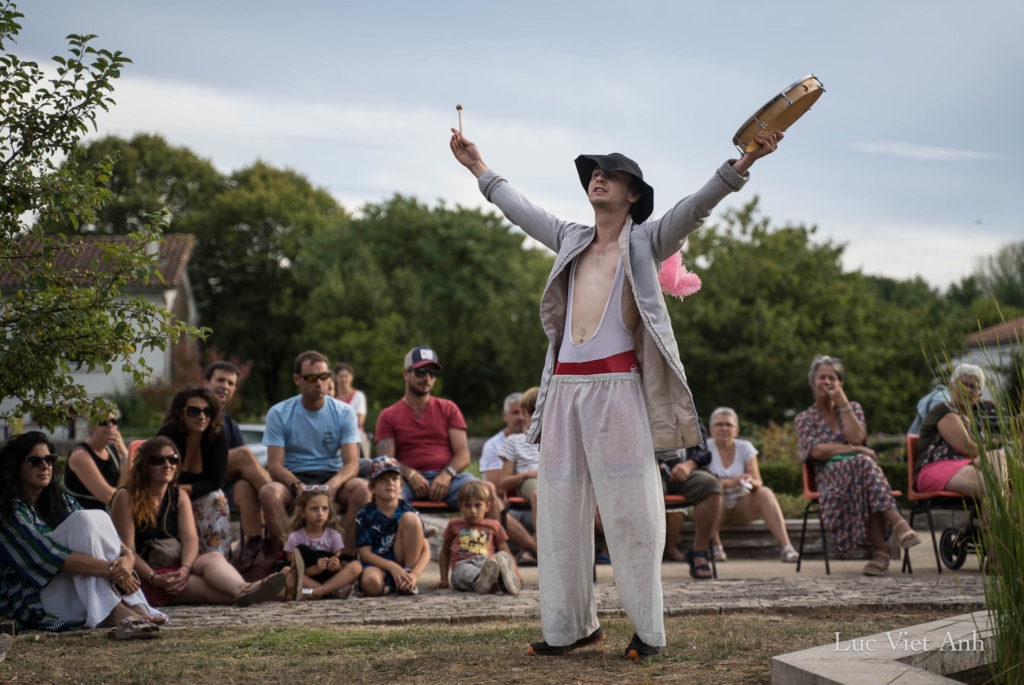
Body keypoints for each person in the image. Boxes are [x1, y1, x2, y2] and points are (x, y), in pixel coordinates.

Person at [451, 124, 783, 659]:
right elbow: (519, 208)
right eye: (594, 173)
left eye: (612, 174)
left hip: (618, 390)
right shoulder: (570, 237)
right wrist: (477, 166)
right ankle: (570, 628)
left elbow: (697, 206)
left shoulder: (648, 240)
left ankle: (648, 631)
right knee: (557, 512)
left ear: (633, 194)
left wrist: (744, 161)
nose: (599, 178)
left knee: (633, 512)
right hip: (563, 391)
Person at [0, 431, 165, 635]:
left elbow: (107, 535)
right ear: (16, 466)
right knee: (82, 522)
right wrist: (113, 569)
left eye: (49, 460)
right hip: (32, 597)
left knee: (97, 517)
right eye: (35, 461)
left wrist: (127, 558)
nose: (45, 466)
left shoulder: (59, 500)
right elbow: (49, 557)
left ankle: (126, 605)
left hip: (71, 589)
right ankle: (115, 611)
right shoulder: (9, 510)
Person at [110, 436, 286, 607]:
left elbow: (190, 539)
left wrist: (185, 569)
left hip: (177, 563)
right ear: (145, 465)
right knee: (206, 587)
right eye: (158, 460)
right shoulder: (126, 497)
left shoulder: (179, 496)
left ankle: (246, 589)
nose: (167, 465)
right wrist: (154, 578)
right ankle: (277, 591)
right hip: (146, 574)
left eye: (173, 459)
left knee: (214, 558)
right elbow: (128, 550)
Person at [795, 355, 920, 576]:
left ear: (840, 383)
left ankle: (881, 554)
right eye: (822, 377)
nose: (827, 382)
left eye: (832, 378)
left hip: (860, 476)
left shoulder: (852, 408)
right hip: (829, 477)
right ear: (813, 382)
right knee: (864, 462)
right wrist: (856, 450)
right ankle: (896, 527)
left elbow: (857, 436)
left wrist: (842, 403)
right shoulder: (805, 418)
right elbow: (817, 451)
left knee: (864, 473)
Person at [259, 350, 370, 552]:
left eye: (324, 376)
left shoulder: (345, 412)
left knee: (363, 490)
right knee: (269, 493)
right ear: (297, 380)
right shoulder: (279, 412)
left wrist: (331, 487)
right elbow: (275, 465)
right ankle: (297, 556)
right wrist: (297, 487)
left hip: (332, 475)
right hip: (293, 477)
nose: (319, 383)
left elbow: (352, 464)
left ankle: (340, 555)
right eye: (311, 378)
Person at [375, 346, 500, 515]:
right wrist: (411, 475)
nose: (427, 378)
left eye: (432, 373)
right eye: (420, 372)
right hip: (405, 482)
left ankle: (498, 541)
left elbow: (463, 455)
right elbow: (387, 461)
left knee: (487, 491)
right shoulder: (388, 415)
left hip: (448, 480)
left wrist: (446, 475)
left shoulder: (448, 408)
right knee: (388, 496)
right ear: (406, 373)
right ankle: (409, 536)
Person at [704, 407, 798, 563]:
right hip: (715, 506)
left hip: (741, 505)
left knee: (765, 493)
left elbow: (758, 481)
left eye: (729, 425)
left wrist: (748, 481)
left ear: (736, 430)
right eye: (719, 424)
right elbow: (705, 483)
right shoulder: (704, 448)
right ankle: (716, 546)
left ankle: (787, 547)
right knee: (710, 494)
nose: (724, 428)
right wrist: (731, 482)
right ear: (711, 429)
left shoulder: (745, 448)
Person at [157, 384, 232, 557]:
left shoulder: (217, 436)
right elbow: (154, 470)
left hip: (201, 495)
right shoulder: (168, 434)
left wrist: (186, 489)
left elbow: (216, 481)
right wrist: (177, 493)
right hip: (169, 495)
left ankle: (218, 559)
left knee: (216, 499)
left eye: (208, 411)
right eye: (194, 411)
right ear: (181, 412)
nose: (202, 417)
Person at [915, 364, 1008, 500]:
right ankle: (997, 519)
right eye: (963, 384)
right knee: (998, 476)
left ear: (979, 394)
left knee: (1001, 462)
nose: (967, 389)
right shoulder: (944, 411)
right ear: (951, 386)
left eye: (973, 386)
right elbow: (968, 449)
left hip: (967, 466)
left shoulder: (974, 420)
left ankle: (992, 517)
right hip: (937, 468)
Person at [202, 361, 272, 544]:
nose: (225, 386)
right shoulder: (195, 411)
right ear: (205, 383)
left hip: (221, 484)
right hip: (197, 474)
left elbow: (245, 469)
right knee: (243, 455)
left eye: (230, 383)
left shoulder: (229, 424)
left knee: (246, 489)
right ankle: (280, 498)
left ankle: (256, 550)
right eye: (220, 380)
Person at [354, 456, 430, 596]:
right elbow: (365, 554)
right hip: (378, 564)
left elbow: (426, 551)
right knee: (370, 583)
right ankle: (390, 587)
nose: (390, 483)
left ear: (401, 486)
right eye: (383, 480)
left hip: (402, 560)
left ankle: (406, 581)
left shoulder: (409, 510)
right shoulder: (364, 514)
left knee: (411, 520)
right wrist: (392, 567)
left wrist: (414, 575)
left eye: (394, 479)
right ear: (371, 487)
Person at [659, 419, 724, 578]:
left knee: (710, 485)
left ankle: (699, 552)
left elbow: (704, 452)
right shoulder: (636, 405)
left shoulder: (686, 408)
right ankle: (642, 559)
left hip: (685, 472)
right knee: (645, 489)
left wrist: (689, 465)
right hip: (649, 470)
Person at [480, 391, 538, 565]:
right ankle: (536, 549)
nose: (520, 417)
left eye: (523, 412)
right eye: (515, 413)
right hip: (511, 505)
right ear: (505, 416)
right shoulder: (496, 444)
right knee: (496, 502)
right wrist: (527, 476)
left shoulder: (544, 437)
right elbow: (498, 485)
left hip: (534, 500)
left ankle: (530, 551)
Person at [436, 480, 521, 595]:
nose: (473, 511)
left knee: (497, 558)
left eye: (478, 505)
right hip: (463, 564)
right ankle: (492, 582)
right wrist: (444, 579)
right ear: (460, 506)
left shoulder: (494, 525)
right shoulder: (454, 524)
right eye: (468, 506)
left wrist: (516, 574)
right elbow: (444, 553)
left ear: (487, 506)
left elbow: (506, 551)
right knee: (465, 571)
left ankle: (503, 580)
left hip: (486, 562)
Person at [283, 486, 363, 600]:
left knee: (356, 566)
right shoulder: (295, 537)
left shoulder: (334, 536)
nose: (320, 513)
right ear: (302, 513)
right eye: (314, 509)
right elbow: (293, 568)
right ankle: (330, 592)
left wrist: (334, 567)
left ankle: (317, 592)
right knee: (286, 571)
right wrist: (315, 569)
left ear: (330, 512)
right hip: (307, 577)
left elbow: (337, 561)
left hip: (328, 578)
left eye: (324, 508)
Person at [64, 407, 129, 510]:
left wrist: (124, 453)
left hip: (110, 515)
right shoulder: (80, 455)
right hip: (86, 518)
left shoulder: (114, 450)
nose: (110, 426)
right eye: (103, 422)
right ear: (92, 426)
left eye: (114, 421)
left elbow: (131, 482)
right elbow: (108, 496)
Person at [498, 387, 541, 531]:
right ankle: (540, 545)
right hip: (529, 481)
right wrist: (527, 474)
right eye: (530, 411)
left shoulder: (557, 437)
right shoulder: (514, 441)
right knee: (538, 494)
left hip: (552, 478)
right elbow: (504, 483)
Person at [333, 362, 369, 459]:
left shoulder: (358, 396)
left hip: (354, 434)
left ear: (351, 377)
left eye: (346, 376)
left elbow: (360, 420)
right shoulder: (332, 397)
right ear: (336, 377)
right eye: (341, 376)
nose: (344, 379)